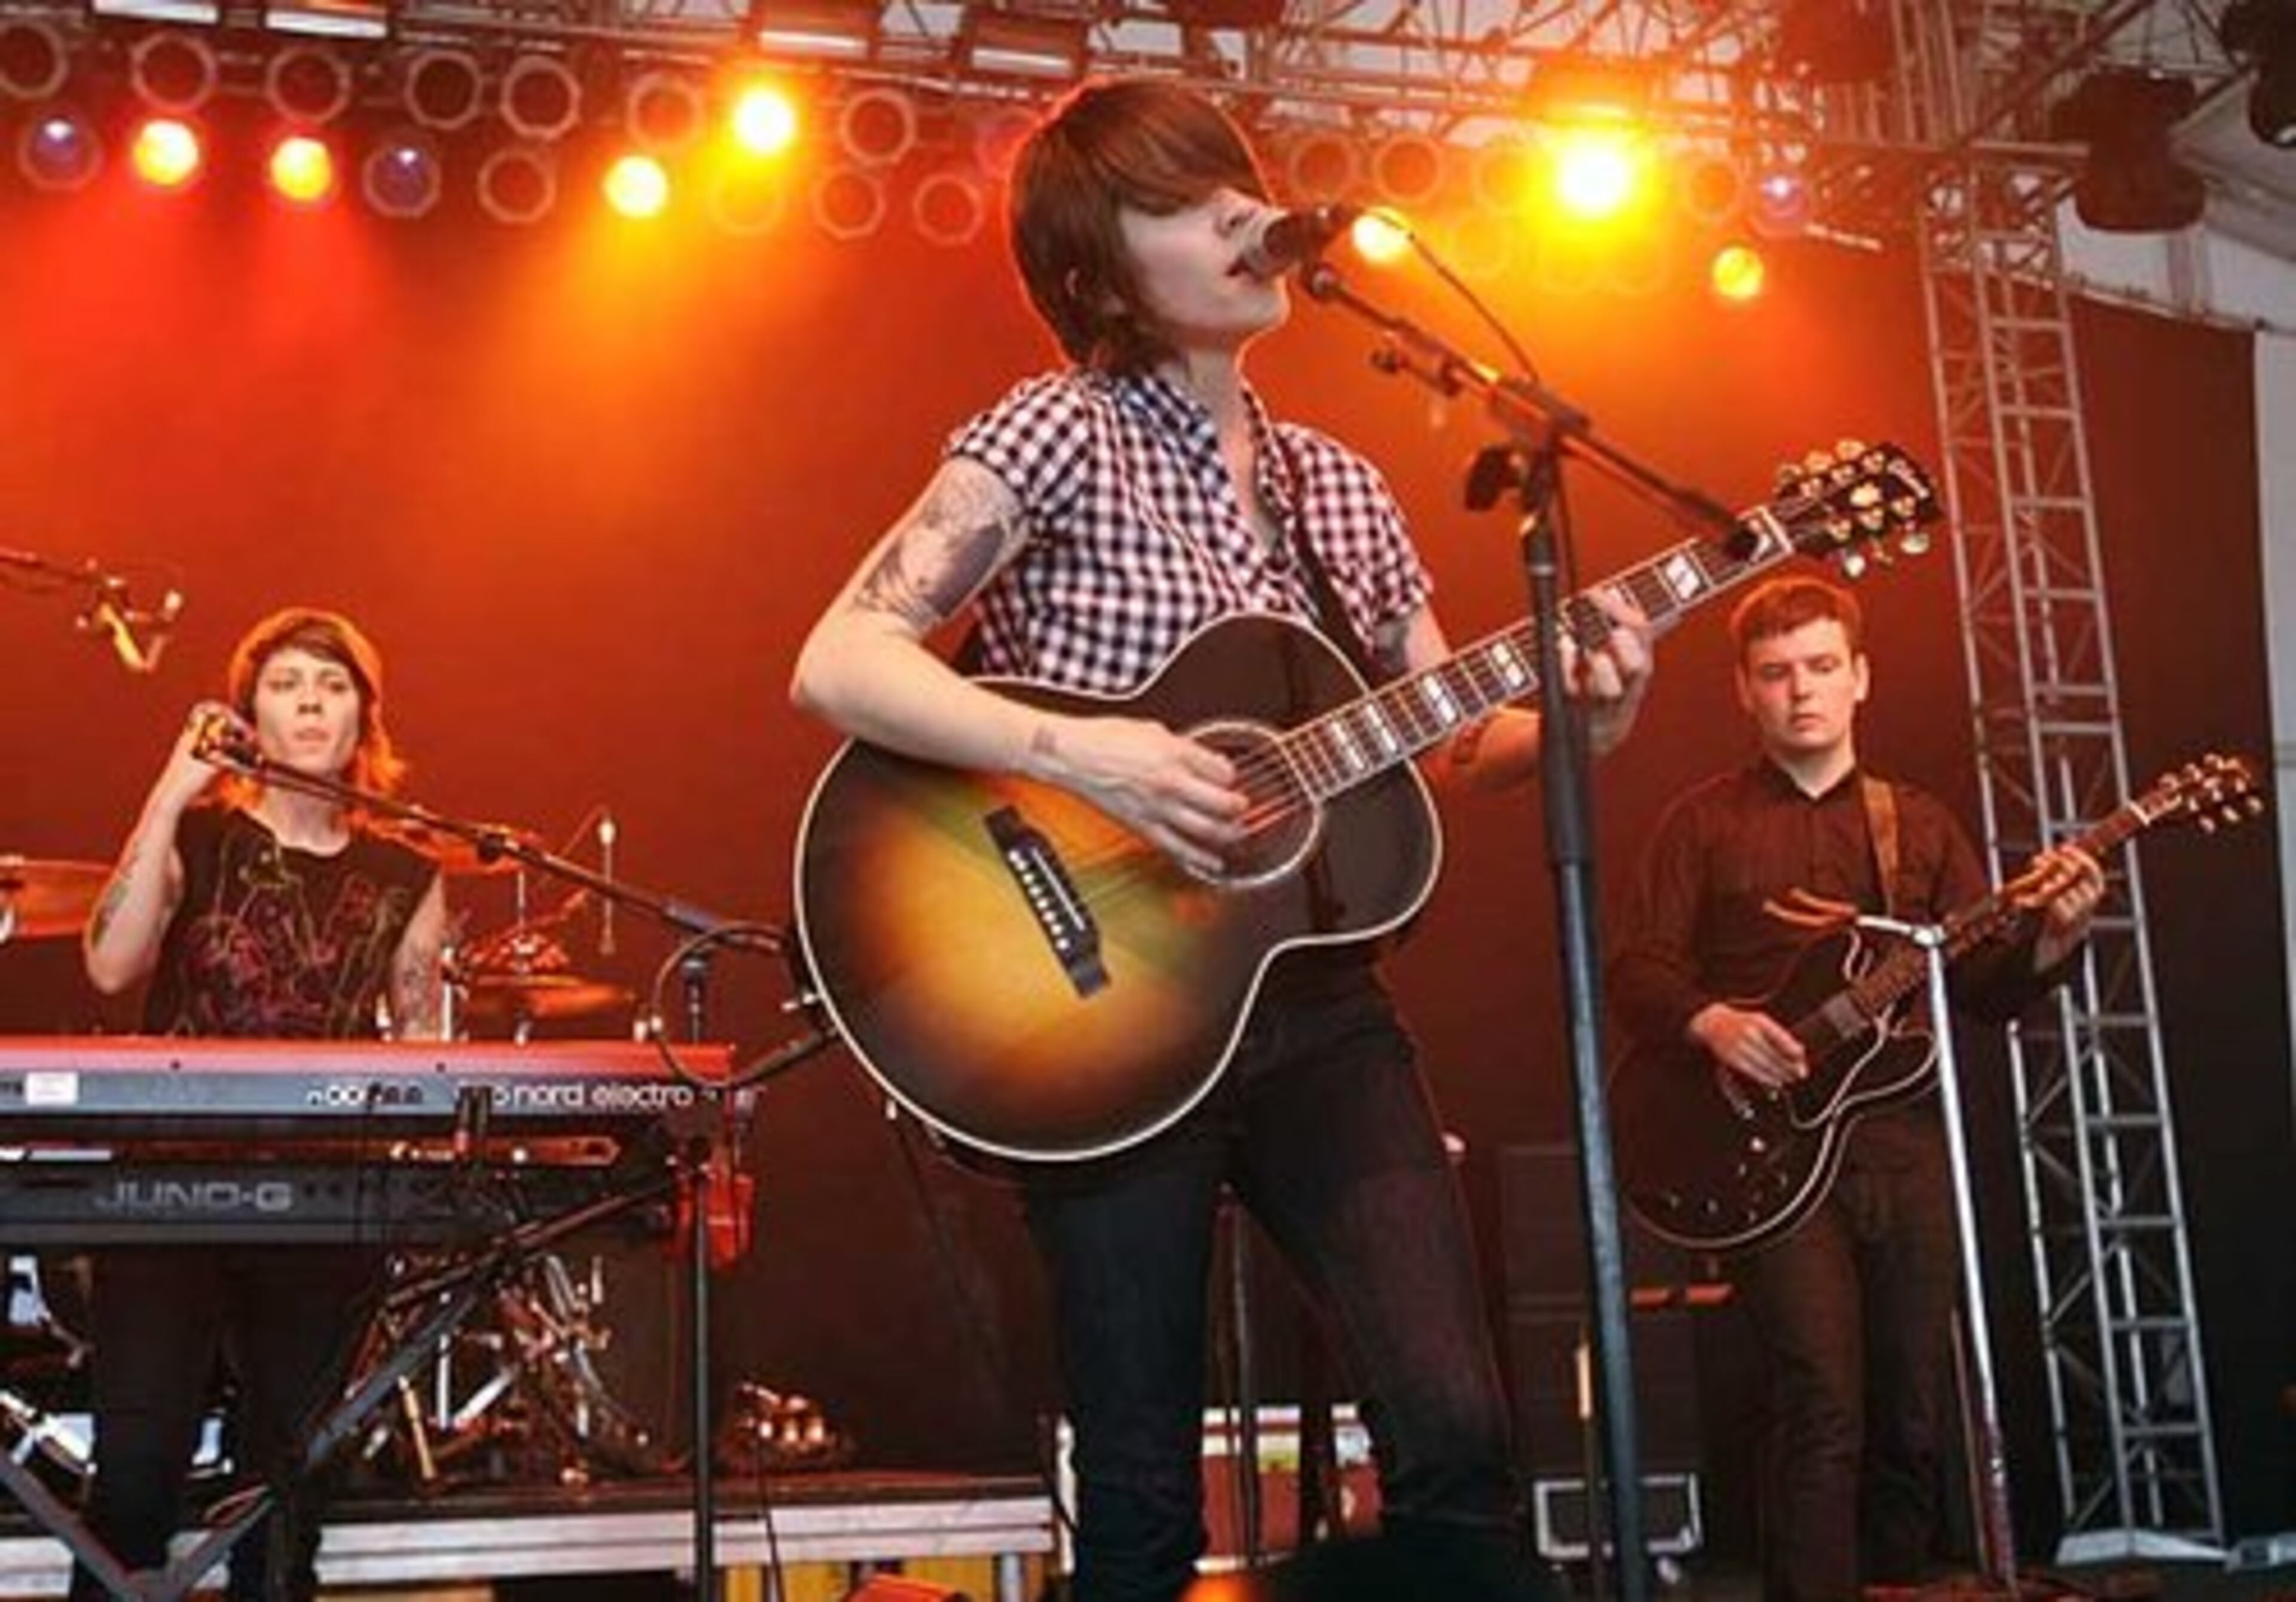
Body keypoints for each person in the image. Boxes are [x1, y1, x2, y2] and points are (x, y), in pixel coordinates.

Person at [791, 77, 1653, 1602]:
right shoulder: (1052, 432)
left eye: (1240, 185)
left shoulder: (1341, 484)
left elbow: (1450, 736)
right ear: (1097, 268)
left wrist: (1584, 717)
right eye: (1188, 201)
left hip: (1315, 1009)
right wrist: (1086, 753)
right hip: (1095, 1012)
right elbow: (842, 658)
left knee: (1457, 1433)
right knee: (1138, 1498)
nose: (1243, 216)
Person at [1607, 575, 2103, 1602]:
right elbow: (1638, 970)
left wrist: (2053, 942)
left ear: (1861, 678)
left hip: (1907, 1146)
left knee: (1914, 1406)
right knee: (1820, 1398)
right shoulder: (1700, 825)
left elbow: (1984, 989)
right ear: (1744, 690)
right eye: (1778, 674)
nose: (1802, 693)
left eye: (1823, 668)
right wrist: (1715, 1023)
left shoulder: (1916, 826)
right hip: (1775, 1158)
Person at [75, 606, 448, 1601]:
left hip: (324, 1195)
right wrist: (169, 790)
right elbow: (112, 966)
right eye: (285, 684)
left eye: (331, 684)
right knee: (137, 1480)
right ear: (250, 716)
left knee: (284, 1496)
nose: (311, 702)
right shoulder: (200, 838)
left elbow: (424, 1053)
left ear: (366, 715)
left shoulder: (409, 877)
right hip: (169, 1185)